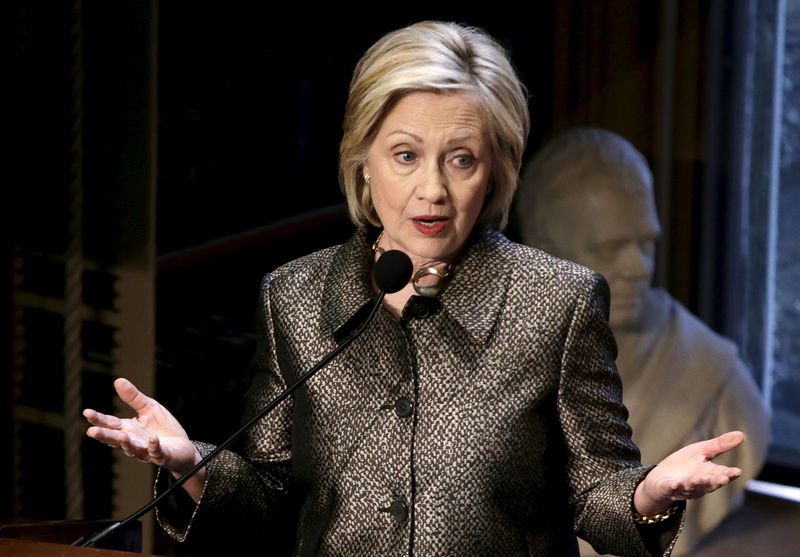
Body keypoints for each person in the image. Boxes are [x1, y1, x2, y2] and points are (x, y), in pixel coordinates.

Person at [84, 22, 748, 557]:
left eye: (462, 158)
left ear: (493, 173)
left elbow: (596, 493)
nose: (433, 189)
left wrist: (648, 492)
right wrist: (189, 461)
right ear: (363, 163)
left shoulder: (559, 302)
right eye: (405, 155)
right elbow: (268, 492)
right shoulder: (293, 295)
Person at [516, 127, 769, 556]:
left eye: (645, 243)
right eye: (611, 248)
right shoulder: (488, 360)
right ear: (546, 250)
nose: (639, 268)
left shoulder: (716, 383)